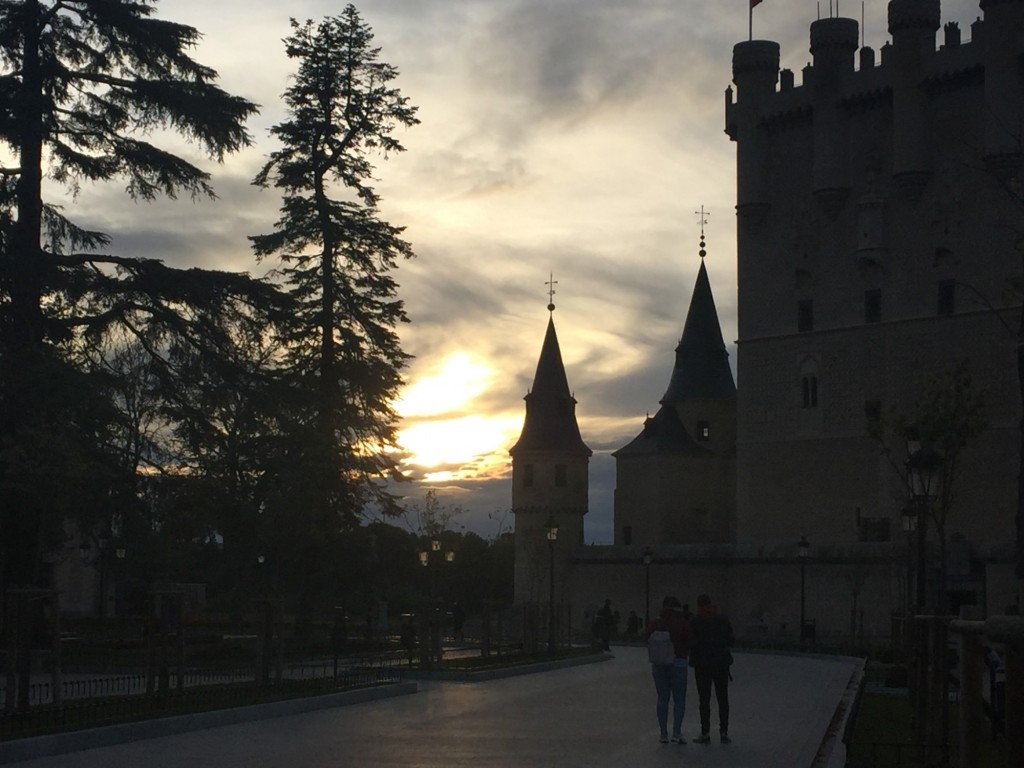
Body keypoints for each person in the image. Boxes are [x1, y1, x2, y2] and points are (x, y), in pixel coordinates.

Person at [645, 595, 693, 745]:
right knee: (679, 699)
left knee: (662, 699)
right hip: (678, 662)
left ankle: (663, 733)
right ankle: (676, 732)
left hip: (659, 664)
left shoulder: (656, 623)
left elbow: (646, 636)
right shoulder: (682, 623)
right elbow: (690, 640)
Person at [689, 592, 735, 744]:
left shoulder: (696, 621)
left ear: (698, 605)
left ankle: (705, 732)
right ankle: (724, 732)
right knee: (723, 698)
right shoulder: (722, 619)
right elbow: (731, 640)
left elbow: (691, 641)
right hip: (721, 664)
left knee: (704, 699)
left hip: (702, 665)